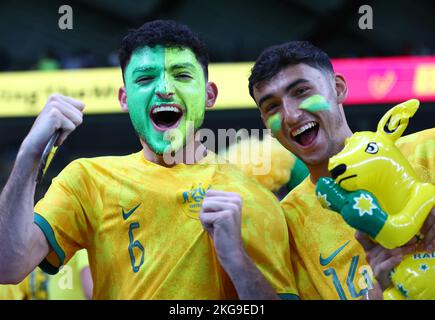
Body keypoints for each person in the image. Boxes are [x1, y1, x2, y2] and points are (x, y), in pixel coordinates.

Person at [0, 20, 298, 299]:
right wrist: (29, 153)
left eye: (182, 75)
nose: (165, 89)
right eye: (145, 78)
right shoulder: (87, 180)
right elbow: (8, 265)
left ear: (209, 95)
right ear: (124, 98)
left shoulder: (255, 199)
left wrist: (237, 259)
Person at [247, 41, 435, 299]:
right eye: (272, 107)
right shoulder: (285, 226)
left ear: (338, 88)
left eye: (301, 91)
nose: (290, 115)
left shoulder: (429, 150)